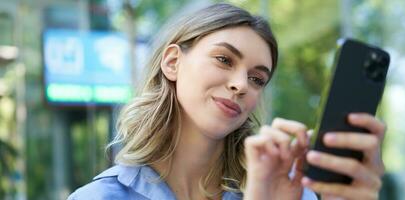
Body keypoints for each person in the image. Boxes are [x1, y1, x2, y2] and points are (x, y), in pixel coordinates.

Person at [68, 3, 386, 200]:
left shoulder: (285, 192)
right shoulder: (98, 198)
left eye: (257, 79)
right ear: (172, 62)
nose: (240, 85)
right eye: (223, 59)